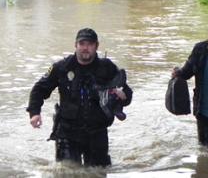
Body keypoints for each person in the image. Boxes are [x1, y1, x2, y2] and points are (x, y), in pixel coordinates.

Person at [26, 28, 133, 167]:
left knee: (98, 172)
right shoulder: (62, 67)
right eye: (82, 44)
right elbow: (39, 89)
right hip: (67, 133)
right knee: (67, 172)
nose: (85, 48)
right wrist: (34, 113)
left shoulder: (107, 68)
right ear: (75, 45)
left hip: (97, 132)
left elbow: (127, 93)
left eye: (90, 44)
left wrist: (123, 96)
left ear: (96, 46)